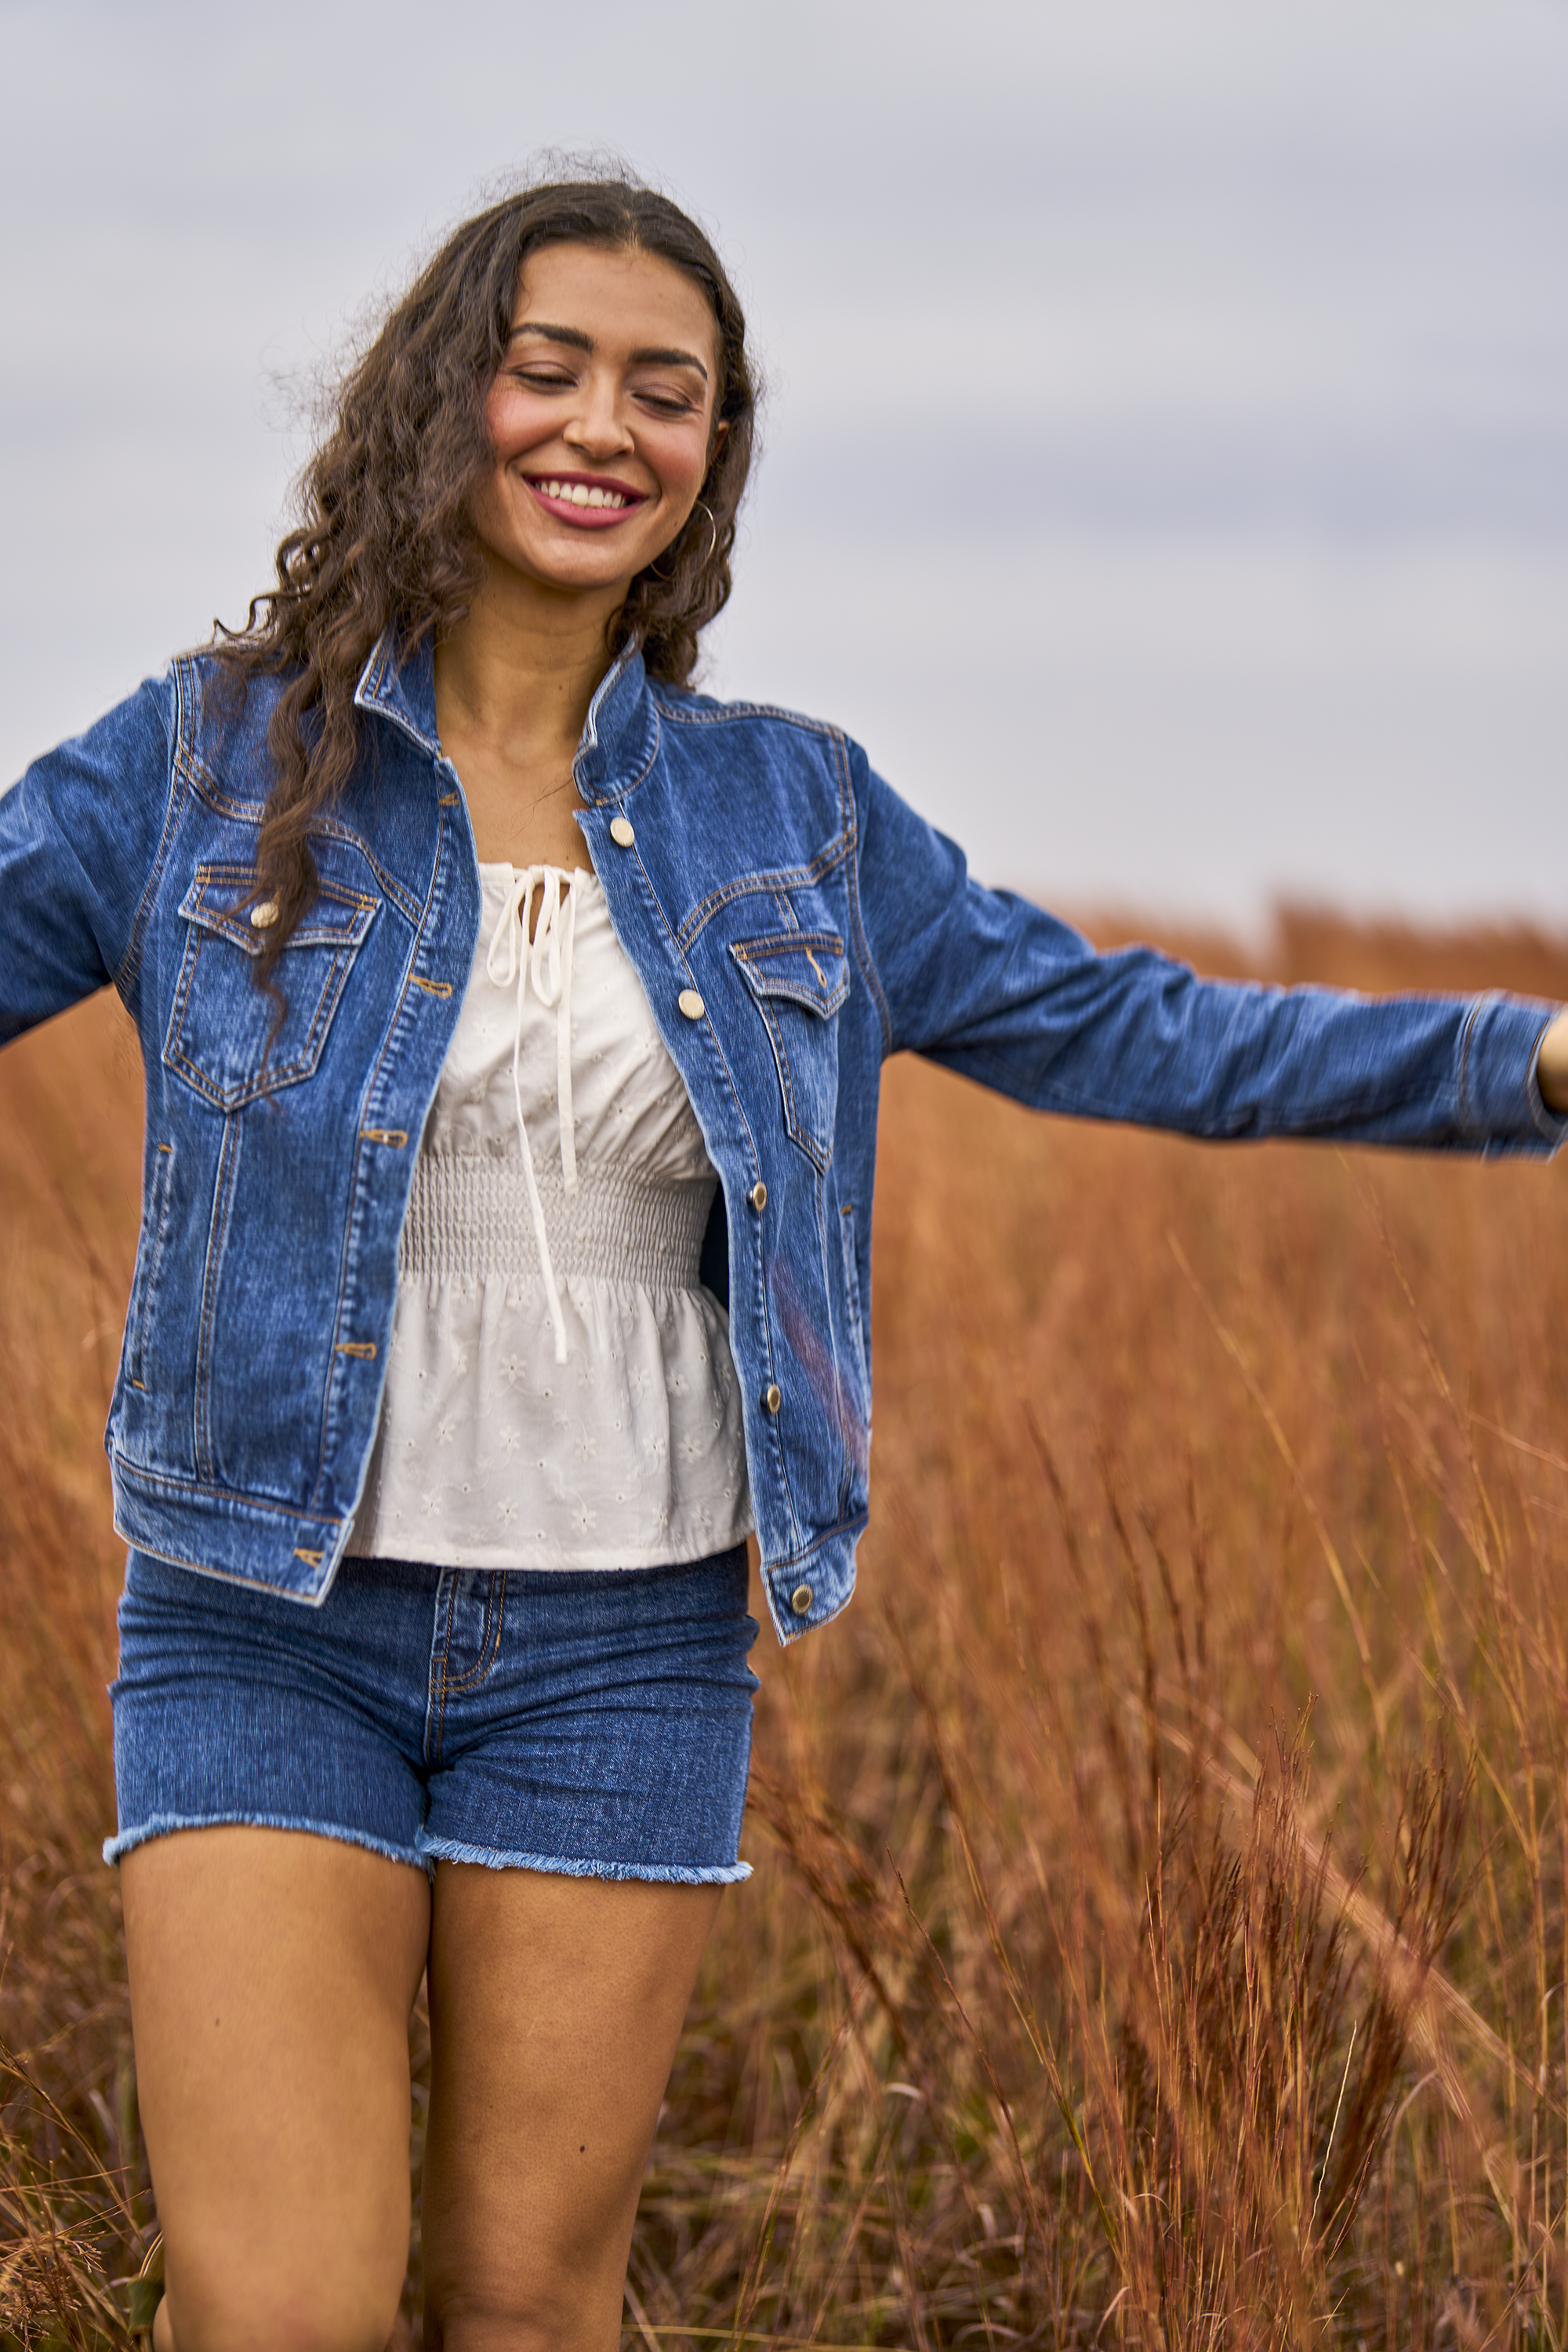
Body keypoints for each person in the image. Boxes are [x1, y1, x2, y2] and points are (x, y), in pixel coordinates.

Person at [2, 172, 1564, 2352]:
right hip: (265, 1615)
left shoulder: (795, 816)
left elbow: (1146, 1029)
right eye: (546, 368)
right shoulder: (203, 765)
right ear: (440, 400)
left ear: (711, 459)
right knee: (278, 2312)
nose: (600, 426)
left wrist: (1532, 1058)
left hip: (623, 1648)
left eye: (669, 392)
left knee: (532, 2310)